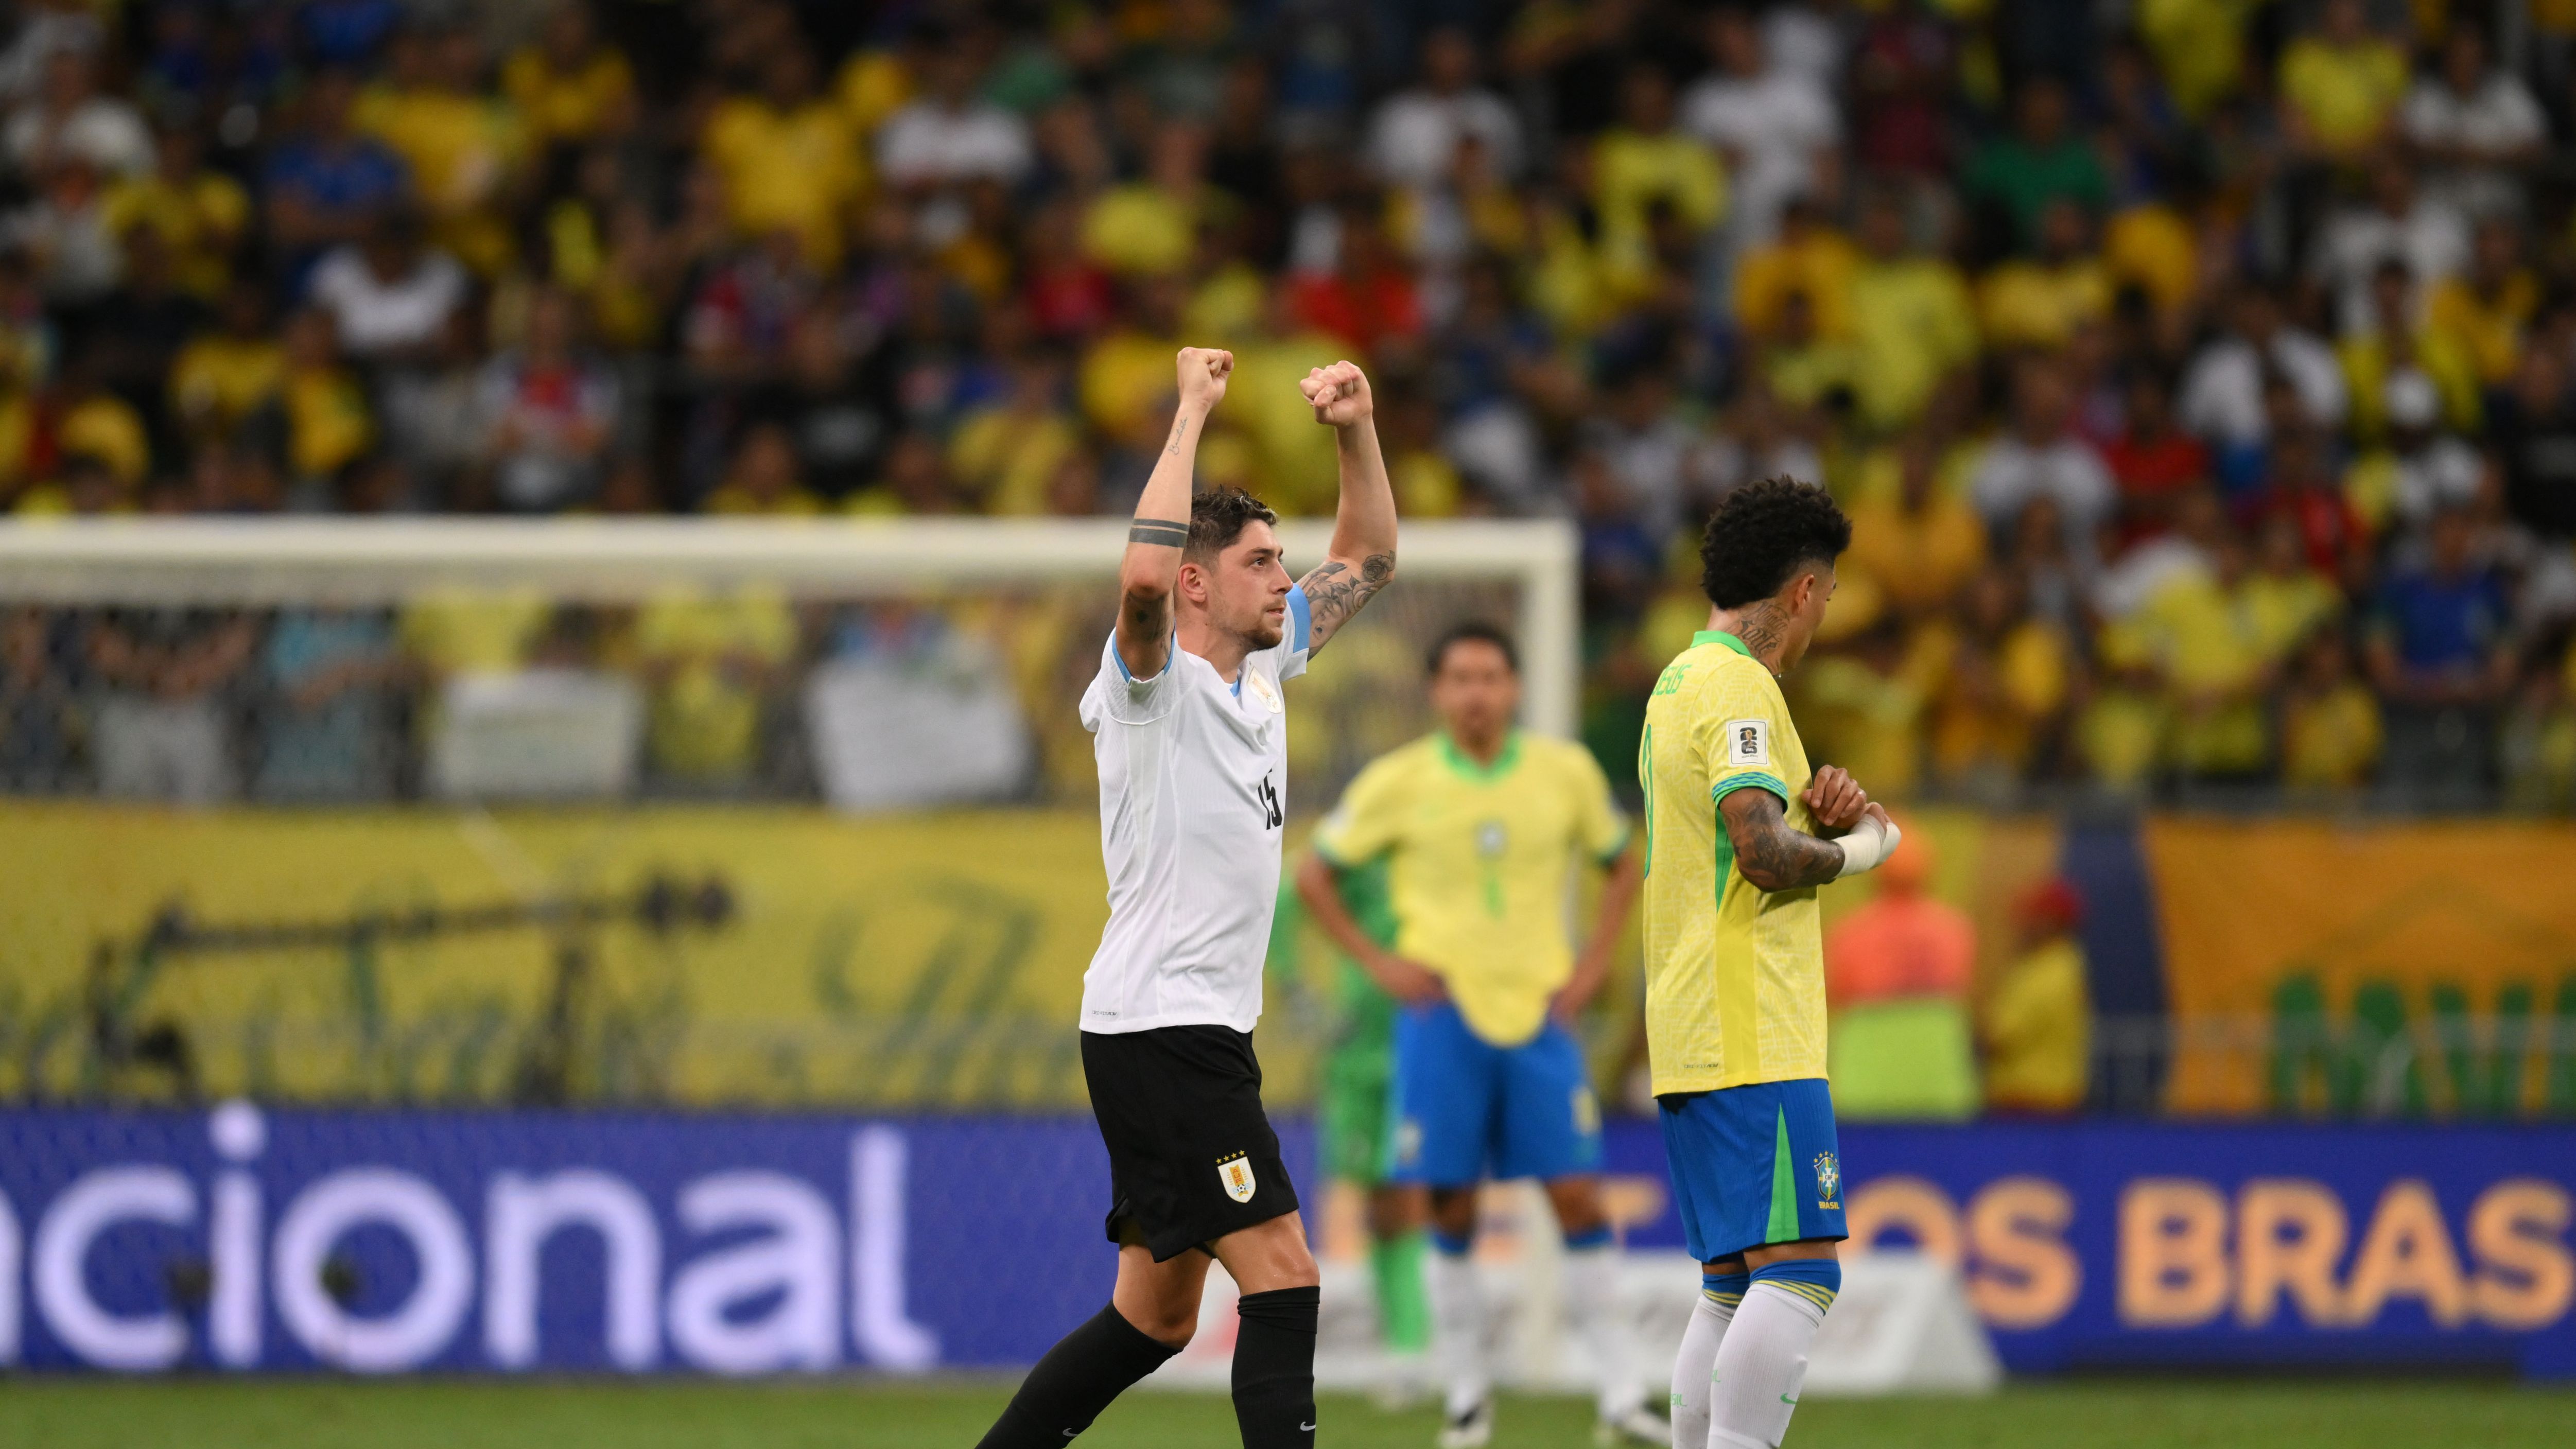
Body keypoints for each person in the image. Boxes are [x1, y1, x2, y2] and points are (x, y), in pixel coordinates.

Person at [973, 348, 1397, 1449]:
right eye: (1262, 562)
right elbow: (1144, 584)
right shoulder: (1145, 689)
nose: (1285, 579)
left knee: (1155, 1317)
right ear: (1205, 581)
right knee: (1286, 1273)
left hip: (1182, 1027)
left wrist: (1355, 428)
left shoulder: (1261, 672)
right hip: (1169, 1029)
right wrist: (1192, 412)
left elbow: (1374, 554)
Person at [1296, 621, 1656, 1449]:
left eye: (1491, 676)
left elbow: (1620, 857)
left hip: (1537, 1015)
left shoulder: (1562, 773)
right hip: (1441, 1017)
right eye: (1460, 678)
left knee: (1577, 1192)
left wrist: (1595, 963)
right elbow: (1317, 873)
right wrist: (1380, 963)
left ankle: (1620, 1393)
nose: (1477, 692)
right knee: (1448, 1202)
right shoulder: (1401, 780)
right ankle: (1465, 1398)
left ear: (1516, 687)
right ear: (1436, 692)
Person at [1639, 476, 1901, 1449]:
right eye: (1826, 593)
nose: (1825, 613)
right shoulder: (1740, 686)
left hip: (1693, 1019)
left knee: (1731, 1282)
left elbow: (1743, 832)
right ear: (1801, 591)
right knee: (1802, 1272)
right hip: (1751, 1022)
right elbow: (1759, 852)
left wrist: (1812, 814)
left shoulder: (1678, 681)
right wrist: (1865, 845)